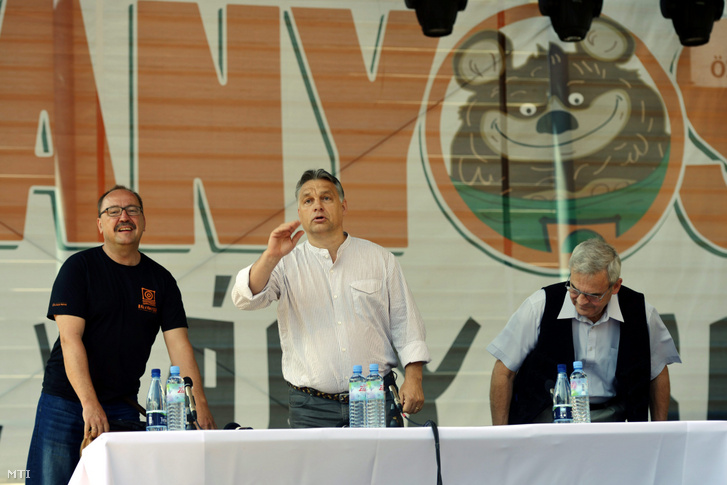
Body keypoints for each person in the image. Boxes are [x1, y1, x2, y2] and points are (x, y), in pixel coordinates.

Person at [26, 185, 216, 484]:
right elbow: (69, 339)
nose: (123, 217)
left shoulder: (161, 280)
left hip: (121, 404)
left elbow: (179, 345)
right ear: (100, 224)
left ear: (143, 220)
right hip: (66, 401)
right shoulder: (79, 267)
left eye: (132, 210)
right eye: (112, 211)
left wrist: (199, 405)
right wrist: (89, 404)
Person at [231, 168, 430, 428]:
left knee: (382, 469)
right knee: (316, 471)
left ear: (343, 206)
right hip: (311, 406)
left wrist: (414, 378)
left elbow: (407, 324)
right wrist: (271, 256)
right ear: (300, 213)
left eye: (326, 198)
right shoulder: (285, 263)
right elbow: (245, 299)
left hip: (374, 400)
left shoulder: (379, 259)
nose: (317, 206)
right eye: (308, 200)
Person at [487, 238, 681, 425]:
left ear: (615, 286)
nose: (580, 301)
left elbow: (658, 372)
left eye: (592, 295)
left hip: (614, 418)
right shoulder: (540, 306)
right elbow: (504, 371)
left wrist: (659, 431)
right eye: (574, 289)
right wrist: (501, 436)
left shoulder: (640, 313)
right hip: (548, 417)